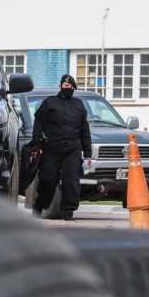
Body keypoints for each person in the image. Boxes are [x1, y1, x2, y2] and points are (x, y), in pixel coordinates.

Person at [30, 74, 92, 221]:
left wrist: (88, 153)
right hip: (52, 148)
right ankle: (39, 206)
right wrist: (36, 144)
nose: (68, 88)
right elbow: (38, 124)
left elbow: (85, 130)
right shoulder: (49, 103)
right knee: (47, 180)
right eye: (65, 86)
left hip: (72, 148)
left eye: (70, 87)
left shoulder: (79, 105)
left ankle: (69, 211)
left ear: (74, 89)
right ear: (60, 87)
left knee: (71, 180)